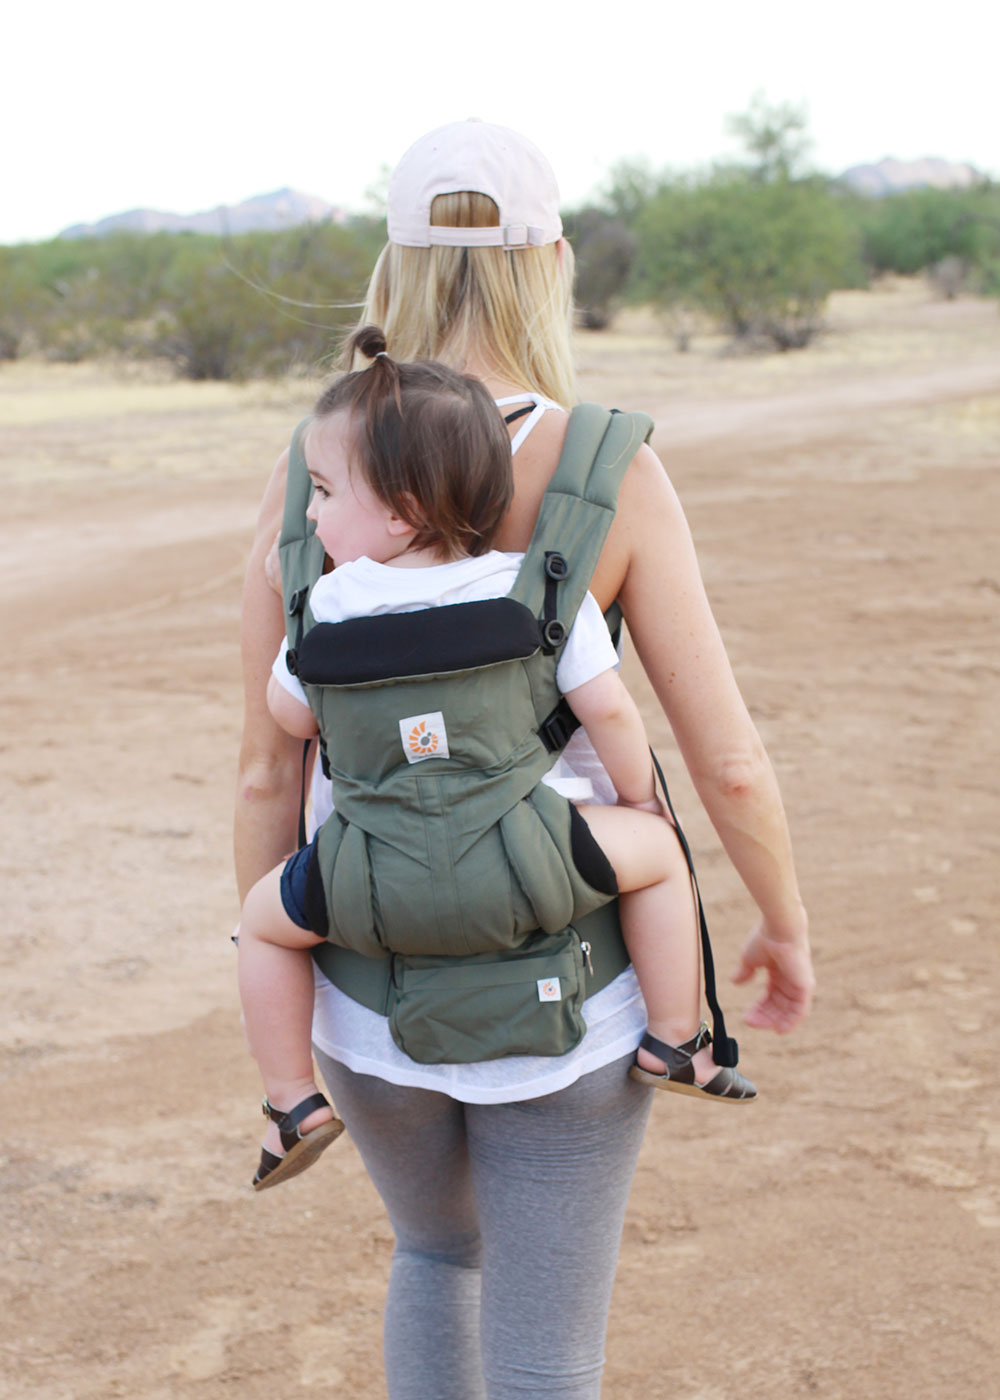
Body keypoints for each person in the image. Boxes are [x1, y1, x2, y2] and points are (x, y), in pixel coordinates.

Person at [235, 119, 813, 1397]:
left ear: (392, 268)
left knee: (437, 1256)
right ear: (549, 261)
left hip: (364, 975)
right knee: (548, 1348)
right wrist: (781, 921)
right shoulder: (610, 464)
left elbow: (264, 768)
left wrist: (293, 948)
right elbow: (720, 761)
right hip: (569, 977)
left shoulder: (315, 467)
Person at [238, 327, 756, 1189]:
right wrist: (637, 800)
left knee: (261, 921)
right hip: (528, 859)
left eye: (325, 493)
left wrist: (291, 595)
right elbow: (612, 711)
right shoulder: (528, 592)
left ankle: (292, 1100)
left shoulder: (325, 610)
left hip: (368, 879)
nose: (312, 514)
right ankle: (677, 1039)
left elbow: (285, 720)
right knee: (661, 861)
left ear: (400, 511)